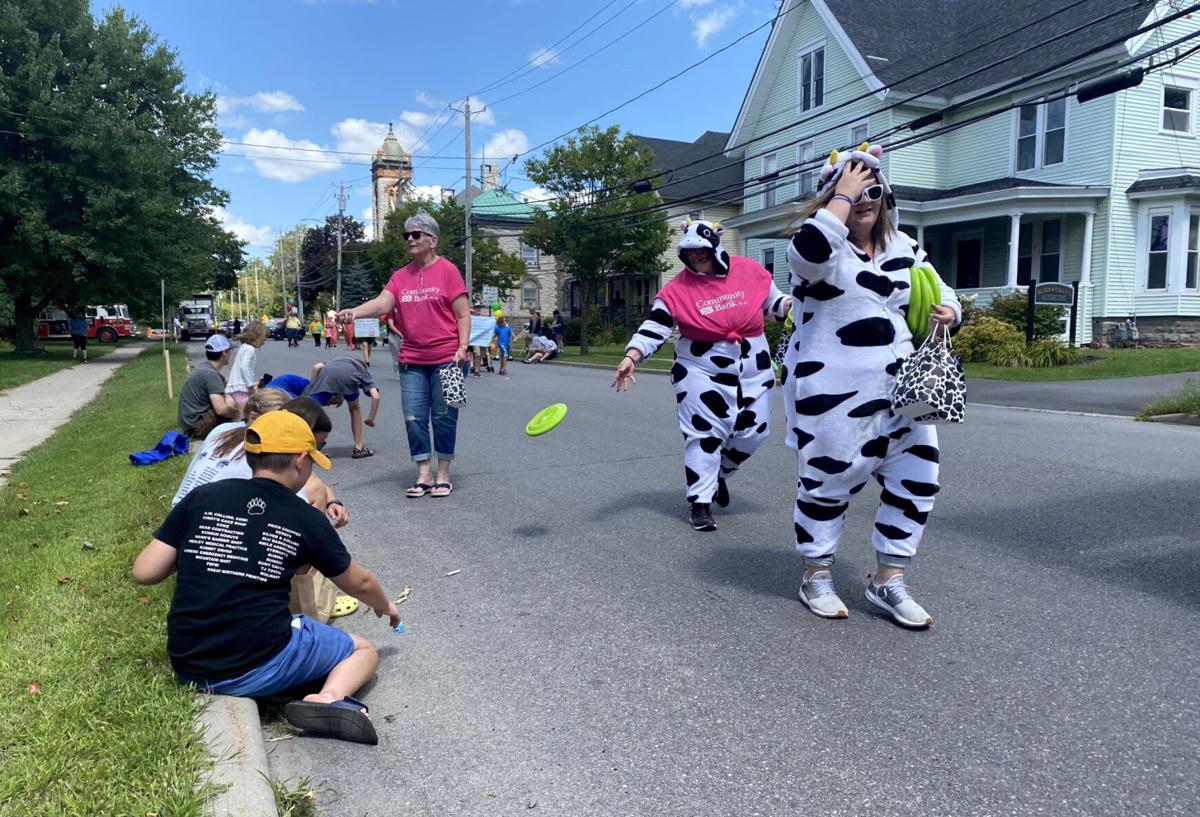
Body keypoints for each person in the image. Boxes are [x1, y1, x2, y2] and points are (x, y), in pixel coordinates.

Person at [133, 411, 399, 744]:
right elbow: (359, 583)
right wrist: (385, 604)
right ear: (301, 460)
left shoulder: (203, 497)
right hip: (255, 661)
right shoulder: (304, 517)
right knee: (362, 650)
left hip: (189, 663)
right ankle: (328, 698)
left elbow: (144, 572)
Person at [782, 142, 959, 628]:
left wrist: (951, 312)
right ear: (832, 196)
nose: (865, 199)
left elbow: (943, 292)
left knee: (917, 482)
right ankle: (816, 574)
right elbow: (812, 257)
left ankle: (888, 580)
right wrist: (842, 194)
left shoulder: (905, 246)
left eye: (873, 189)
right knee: (827, 484)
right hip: (832, 390)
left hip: (907, 387)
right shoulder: (817, 240)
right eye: (854, 191)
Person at [614, 219, 789, 533]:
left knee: (755, 432)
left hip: (753, 367)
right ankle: (700, 502)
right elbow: (655, 326)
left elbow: (775, 306)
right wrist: (632, 355)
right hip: (700, 368)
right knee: (704, 436)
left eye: (701, 252)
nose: (695, 257)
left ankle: (718, 474)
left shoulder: (750, 271)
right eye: (689, 253)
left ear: (715, 246)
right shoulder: (676, 290)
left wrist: (796, 303)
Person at [336, 211, 470, 498]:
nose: (409, 238)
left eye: (416, 234)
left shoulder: (448, 270)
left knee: (445, 417)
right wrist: (354, 312)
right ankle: (423, 473)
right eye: (406, 234)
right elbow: (383, 303)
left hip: (449, 359)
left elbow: (462, 314)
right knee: (413, 417)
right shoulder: (400, 276)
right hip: (412, 360)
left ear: (432, 240)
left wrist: (463, 347)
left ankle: (443, 474)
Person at [172, 390, 349, 527]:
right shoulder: (266, 452)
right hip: (211, 532)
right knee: (313, 494)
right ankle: (302, 569)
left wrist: (331, 499)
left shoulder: (225, 430)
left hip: (178, 519)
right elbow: (307, 487)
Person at [303, 356, 381, 459]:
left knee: (311, 411)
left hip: (327, 377)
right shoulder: (361, 370)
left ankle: (306, 449)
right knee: (354, 408)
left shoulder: (334, 361)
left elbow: (317, 367)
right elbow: (376, 397)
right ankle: (358, 448)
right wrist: (371, 418)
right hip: (350, 380)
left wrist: (314, 387)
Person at [178, 335, 239, 440]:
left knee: (233, 392)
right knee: (232, 401)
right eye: (230, 351)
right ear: (224, 352)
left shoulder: (205, 367)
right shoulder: (211, 374)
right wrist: (238, 414)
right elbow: (221, 410)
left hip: (189, 424)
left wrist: (253, 385)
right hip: (197, 428)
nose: (230, 354)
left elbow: (229, 382)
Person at [226, 321, 267, 407]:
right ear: (257, 337)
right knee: (243, 410)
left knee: (242, 409)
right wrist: (250, 385)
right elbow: (244, 367)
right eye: (264, 338)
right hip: (241, 387)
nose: (264, 341)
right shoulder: (250, 349)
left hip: (236, 386)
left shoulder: (244, 347)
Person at [386, 314, 403, 380]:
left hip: (406, 335)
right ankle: (397, 371)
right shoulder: (391, 311)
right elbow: (391, 325)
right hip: (394, 336)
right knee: (396, 355)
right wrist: (401, 334)